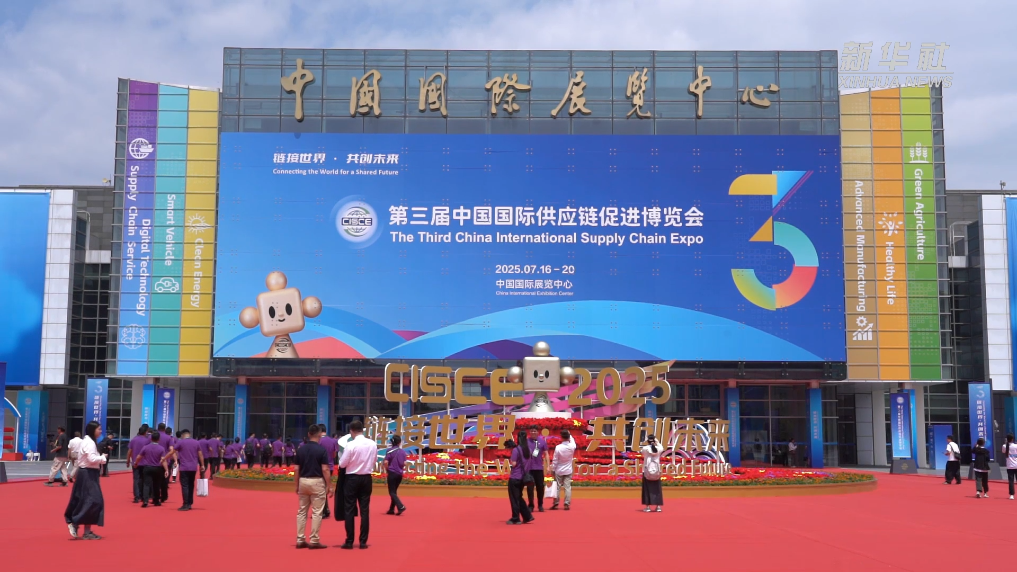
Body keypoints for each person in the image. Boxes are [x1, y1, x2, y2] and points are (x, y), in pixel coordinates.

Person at [63, 421, 108, 540]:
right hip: (87, 473)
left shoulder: (90, 441)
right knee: (93, 500)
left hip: (89, 473)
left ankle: (86, 530)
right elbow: (91, 459)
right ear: (93, 430)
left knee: (87, 500)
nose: (101, 431)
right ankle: (75, 522)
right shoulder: (89, 443)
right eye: (99, 429)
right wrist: (102, 458)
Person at [338, 420, 377, 549]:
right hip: (366, 477)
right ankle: (363, 541)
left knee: (349, 509)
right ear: (362, 430)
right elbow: (374, 460)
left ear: (351, 431)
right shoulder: (372, 444)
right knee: (365, 510)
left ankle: (349, 541)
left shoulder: (351, 445)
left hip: (352, 478)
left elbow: (342, 464)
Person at [295, 424, 331, 549]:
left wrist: (296, 485)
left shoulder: (301, 449)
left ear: (308, 434)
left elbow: (296, 469)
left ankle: (300, 539)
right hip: (317, 481)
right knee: (317, 512)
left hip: (303, 481)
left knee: (302, 512)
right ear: (320, 435)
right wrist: (330, 485)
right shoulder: (321, 450)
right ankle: (314, 539)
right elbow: (325, 469)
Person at [172, 429, 204, 511]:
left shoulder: (181, 442)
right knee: (191, 484)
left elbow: (173, 451)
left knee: (185, 485)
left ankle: (185, 503)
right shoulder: (196, 442)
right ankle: (189, 502)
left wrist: (165, 458)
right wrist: (202, 465)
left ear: (183, 435)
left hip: (184, 467)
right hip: (193, 467)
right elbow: (200, 454)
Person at [506, 434, 534, 525]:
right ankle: (527, 516)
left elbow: (513, 463)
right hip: (523, 477)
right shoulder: (528, 450)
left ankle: (516, 518)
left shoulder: (516, 450)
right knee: (518, 497)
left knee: (514, 498)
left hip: (515, 476)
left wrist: (511, 458)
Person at [135, 431, 169, 508]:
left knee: (146, 484)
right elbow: (163, 460)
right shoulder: (161, 448)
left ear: (151, 439)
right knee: (156, 485)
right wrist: (166, 469)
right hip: (157, 468)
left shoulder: (145, 447)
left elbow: (139, 457)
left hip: (147, 467)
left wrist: (136, 463)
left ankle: (145, 501)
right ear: (159, 439)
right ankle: (156, 500)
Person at [550, 429, 576, 510]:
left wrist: (553, 469)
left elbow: (555, 460)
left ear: (561, 437)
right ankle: (566, 503)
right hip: (568, 469)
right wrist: (569, 434)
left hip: (559, 470)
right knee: (567, 487)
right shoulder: (572, 446)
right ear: (568, 437)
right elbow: (573, 440)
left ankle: (556, 503)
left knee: (557, 487)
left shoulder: (558, 447)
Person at [525, 427, 549, 512]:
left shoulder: (542, 441)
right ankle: (531, 505)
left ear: (537, 432)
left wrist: (548, 466)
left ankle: (540, 505)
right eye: (531, 431)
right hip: (529, 469)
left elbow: (546, 454)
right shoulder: (526, 441)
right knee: (530, 488)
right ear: (529, 432)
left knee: (540, 487)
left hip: (539, 468)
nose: (533, 432)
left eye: (534, 431)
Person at [383, 435, 407, 515]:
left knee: (392, 492)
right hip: (399, 474)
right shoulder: (403, 452)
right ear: (399, 442)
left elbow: (386, 462)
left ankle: (400, 506)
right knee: (394, 491)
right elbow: (404, 463)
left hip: (392, 472)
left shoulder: (389, 451)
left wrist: (387, 469)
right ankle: (391, 509)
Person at [126, 425, 150, 502]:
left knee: (136, 479)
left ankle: (137, 496)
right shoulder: (147, 440)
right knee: (143, 479)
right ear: (145, 432)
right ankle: (143, 495)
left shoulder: (134, 440)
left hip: (135, 462)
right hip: (145, 462)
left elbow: (129, 451)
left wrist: (128, 460)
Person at [641, 435, 664, 512]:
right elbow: (661, 447)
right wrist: (656, 442)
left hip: (647, 471)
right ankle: (658, 507)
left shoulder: (645, 448)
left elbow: (643, 452)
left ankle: (648, 507)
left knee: (647, 489)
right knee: (657, 489)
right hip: (656, 471)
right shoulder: (659, 449)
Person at [1003, 434, 1017, 500]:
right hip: (1016, 465)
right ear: (1012, 439)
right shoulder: (1016, 446)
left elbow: (1003, 451)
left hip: (1009, 466)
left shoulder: (1004, 446)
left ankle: (1011, 495)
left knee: (1011, 481)